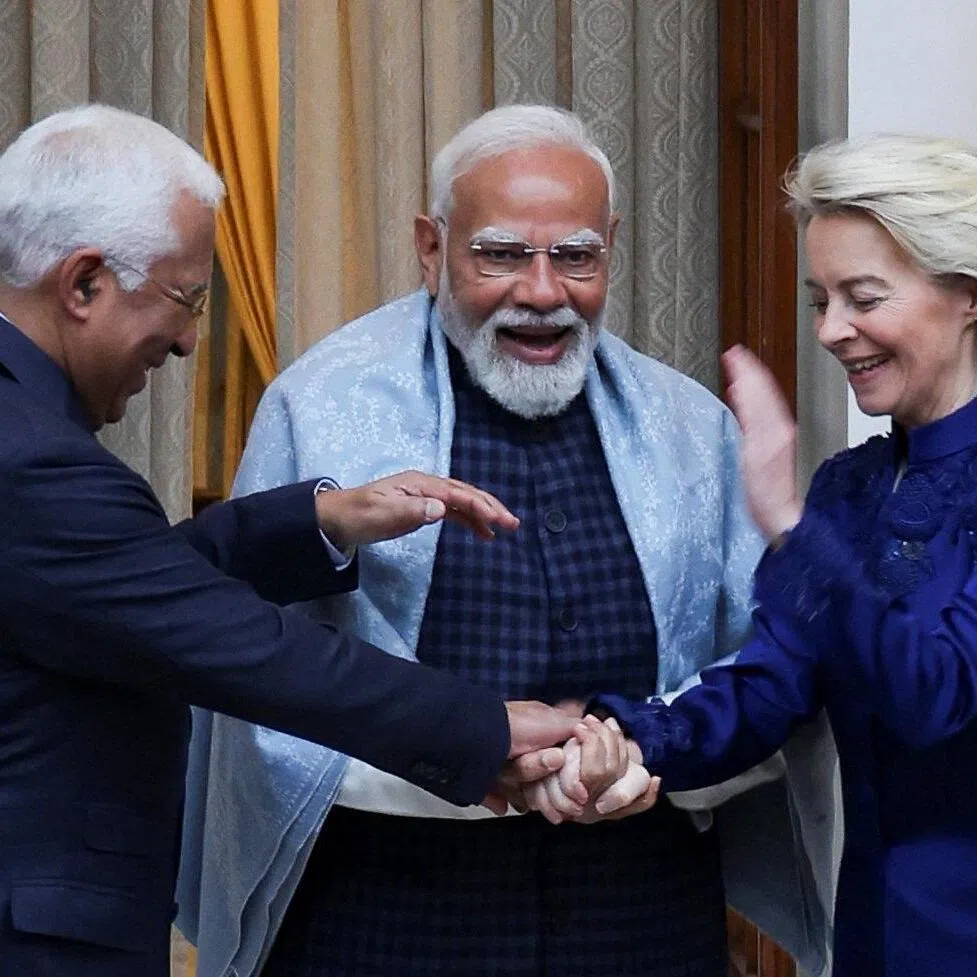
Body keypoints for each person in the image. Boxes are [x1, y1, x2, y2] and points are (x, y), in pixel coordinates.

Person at [182, 105, 833, 977]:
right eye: (499, 254)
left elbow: (759, 661)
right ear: (430, 248)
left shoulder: (688, 424)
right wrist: (471, 757)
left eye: (575, 256)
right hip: (386, 912)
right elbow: (251, 672)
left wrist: (634, 754)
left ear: (612, 248)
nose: (541, 291)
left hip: (638, 909)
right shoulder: (322, 406)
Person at [0, 103, 584, 977]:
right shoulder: (31, 461)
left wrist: (320, 523)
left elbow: (110, 589)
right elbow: (233, 644)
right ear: (84, 284)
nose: (190, 340)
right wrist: (482, 726)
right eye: (187, 299)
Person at [563, 133, 977, 977]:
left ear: (965, 294)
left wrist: (786, 521)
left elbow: (937, 696)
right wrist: (619, 737)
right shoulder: (850, 490)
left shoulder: (812, 514)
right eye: (818, 300)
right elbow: (769, 685)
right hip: (871, 937)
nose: (830, 330)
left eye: (862, 297)